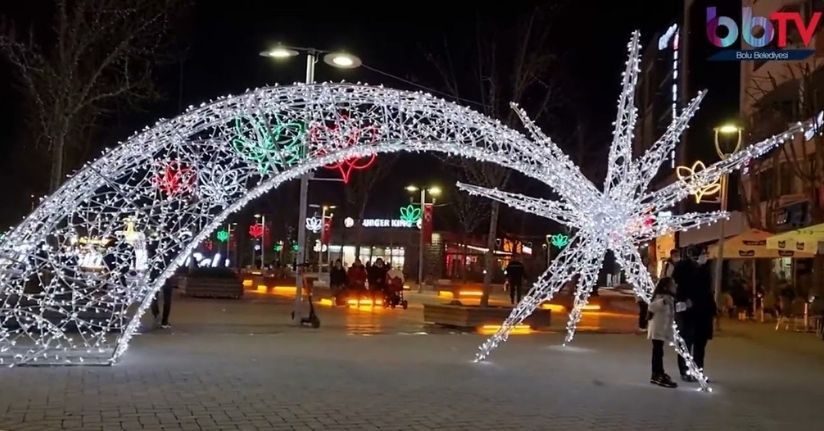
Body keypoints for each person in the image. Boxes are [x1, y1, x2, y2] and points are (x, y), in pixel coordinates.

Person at [675, 246, 716, 381]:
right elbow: (677, 286)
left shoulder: (706, 267)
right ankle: (685, 371)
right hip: (687, 310)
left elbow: (708, 290)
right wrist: (681, 301)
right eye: (703, 254)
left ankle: (698, 371)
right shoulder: (682, 267)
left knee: (700, 344)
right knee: (686, 342)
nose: (705, 256)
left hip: (703, 311)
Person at [647, 277, 678, 388]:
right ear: (666, 286)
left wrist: (685, 306)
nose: (675, 286)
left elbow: (672, 310)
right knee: (657, 352)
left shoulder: (669, 298)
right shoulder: (660, 297)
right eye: (672, 284)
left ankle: (658, 373)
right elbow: (651, 307)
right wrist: (663, 302)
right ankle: (657, 374)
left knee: (659, 352)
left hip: (662, 330)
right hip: (657, 330)